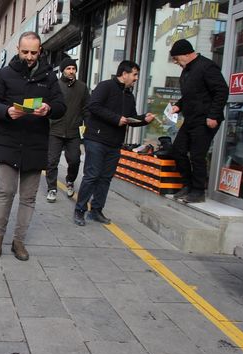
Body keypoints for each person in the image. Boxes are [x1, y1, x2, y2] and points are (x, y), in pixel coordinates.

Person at [0, 31, 66, 260]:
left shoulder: (49, 77)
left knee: (28, 197)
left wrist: (49, 108)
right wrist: (6, 111)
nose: (29, 56)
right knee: (6, 191)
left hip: (36, 143)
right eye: (25, 51)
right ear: (18, 50)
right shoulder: (4, 74)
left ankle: (18, 241)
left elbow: (61, 105)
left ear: (40, 51)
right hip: (8, 141)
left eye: (33, 52)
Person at [74, 60, 155, 226]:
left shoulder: (129, 95)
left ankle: (96, 211)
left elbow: (131, 118)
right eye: (134, 74)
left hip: (115, 143)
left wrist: (144, 119)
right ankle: (79, 210)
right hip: (96, 139)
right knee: (92, 175)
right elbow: (93, 106)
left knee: (105, 178)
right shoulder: (105, 86)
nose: (136, 78)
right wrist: (116, 118)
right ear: (124, 74)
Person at [169, 39, 229, 203]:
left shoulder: (206, 66)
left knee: (197, 155)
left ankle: (198, 191)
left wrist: (213, 115)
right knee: (178, 150)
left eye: (177, 58)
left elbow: (221, 91)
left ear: (188, 54)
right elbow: (191, 94)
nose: (176, 62)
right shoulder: (187, 69)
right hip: (191, 119)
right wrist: (178, 106)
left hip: (205, 119)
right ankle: (188, 184)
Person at [45, 58, 90, 203]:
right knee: (52, 161)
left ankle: (70, 181)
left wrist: (87, 125)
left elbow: (86, 109)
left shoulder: (82, 88)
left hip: (73, 131)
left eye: (73, 68)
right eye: (68, 68)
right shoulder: (55, 86)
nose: (71, 71)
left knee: (75, 160)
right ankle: (52, 188)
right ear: (62, 70)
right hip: (55, 129)